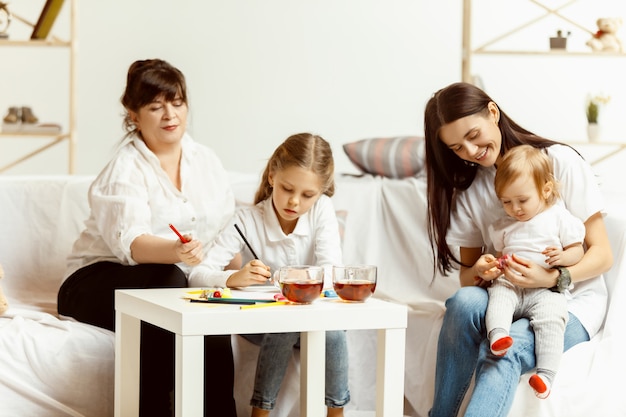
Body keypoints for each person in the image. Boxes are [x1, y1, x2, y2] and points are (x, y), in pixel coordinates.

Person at [57, 59, 238, 417]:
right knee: (172, 285)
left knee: (208, 297)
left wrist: (238, 279)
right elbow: (133, 244)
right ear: (134, 115)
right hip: (92, 281)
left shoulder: (207, 161)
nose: (170, 114)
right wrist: (176, 250)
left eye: (177, 103)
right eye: (156, 107)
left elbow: (225, 234)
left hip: (170, 278)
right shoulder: (124, 168)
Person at [423, 82, 613, 417]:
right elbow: (468, 280)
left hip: (570, 301)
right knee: (463, 301)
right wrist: (481, 270)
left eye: (473, 134)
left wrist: (551, 277)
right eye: (456, 147)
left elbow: (601, 254)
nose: (470, 150)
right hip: (508, 296)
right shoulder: (471, 192)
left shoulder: (558, 162)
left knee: (503, 351)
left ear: (492, 113)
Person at [198, 133, 350, 417]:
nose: (294, 202)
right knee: (286, 321)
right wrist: (232, 278)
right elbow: (198, 274)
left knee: (334, 332)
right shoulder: (246, 220)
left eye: (308, 195)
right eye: (287, 188)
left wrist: (296, 280)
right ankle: (261, 412)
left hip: (312, 322)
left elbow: (331, 270)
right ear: (271, 177)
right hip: (262, 325)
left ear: (321, 193)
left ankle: (335, 413)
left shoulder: (322, 211)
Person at [485, 144, 586, 399]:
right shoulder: (504, 225)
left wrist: (563, 257)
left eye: (522, 200)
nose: (515, 209)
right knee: (498, 297)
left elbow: (578, 251)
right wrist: (495, 265)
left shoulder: (558, 217)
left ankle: (546, 375)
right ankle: (498, 335)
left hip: (545, 289)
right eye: (506, 202)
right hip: (511, 284)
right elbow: (500, 254)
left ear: (546, 190)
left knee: (553, 320)